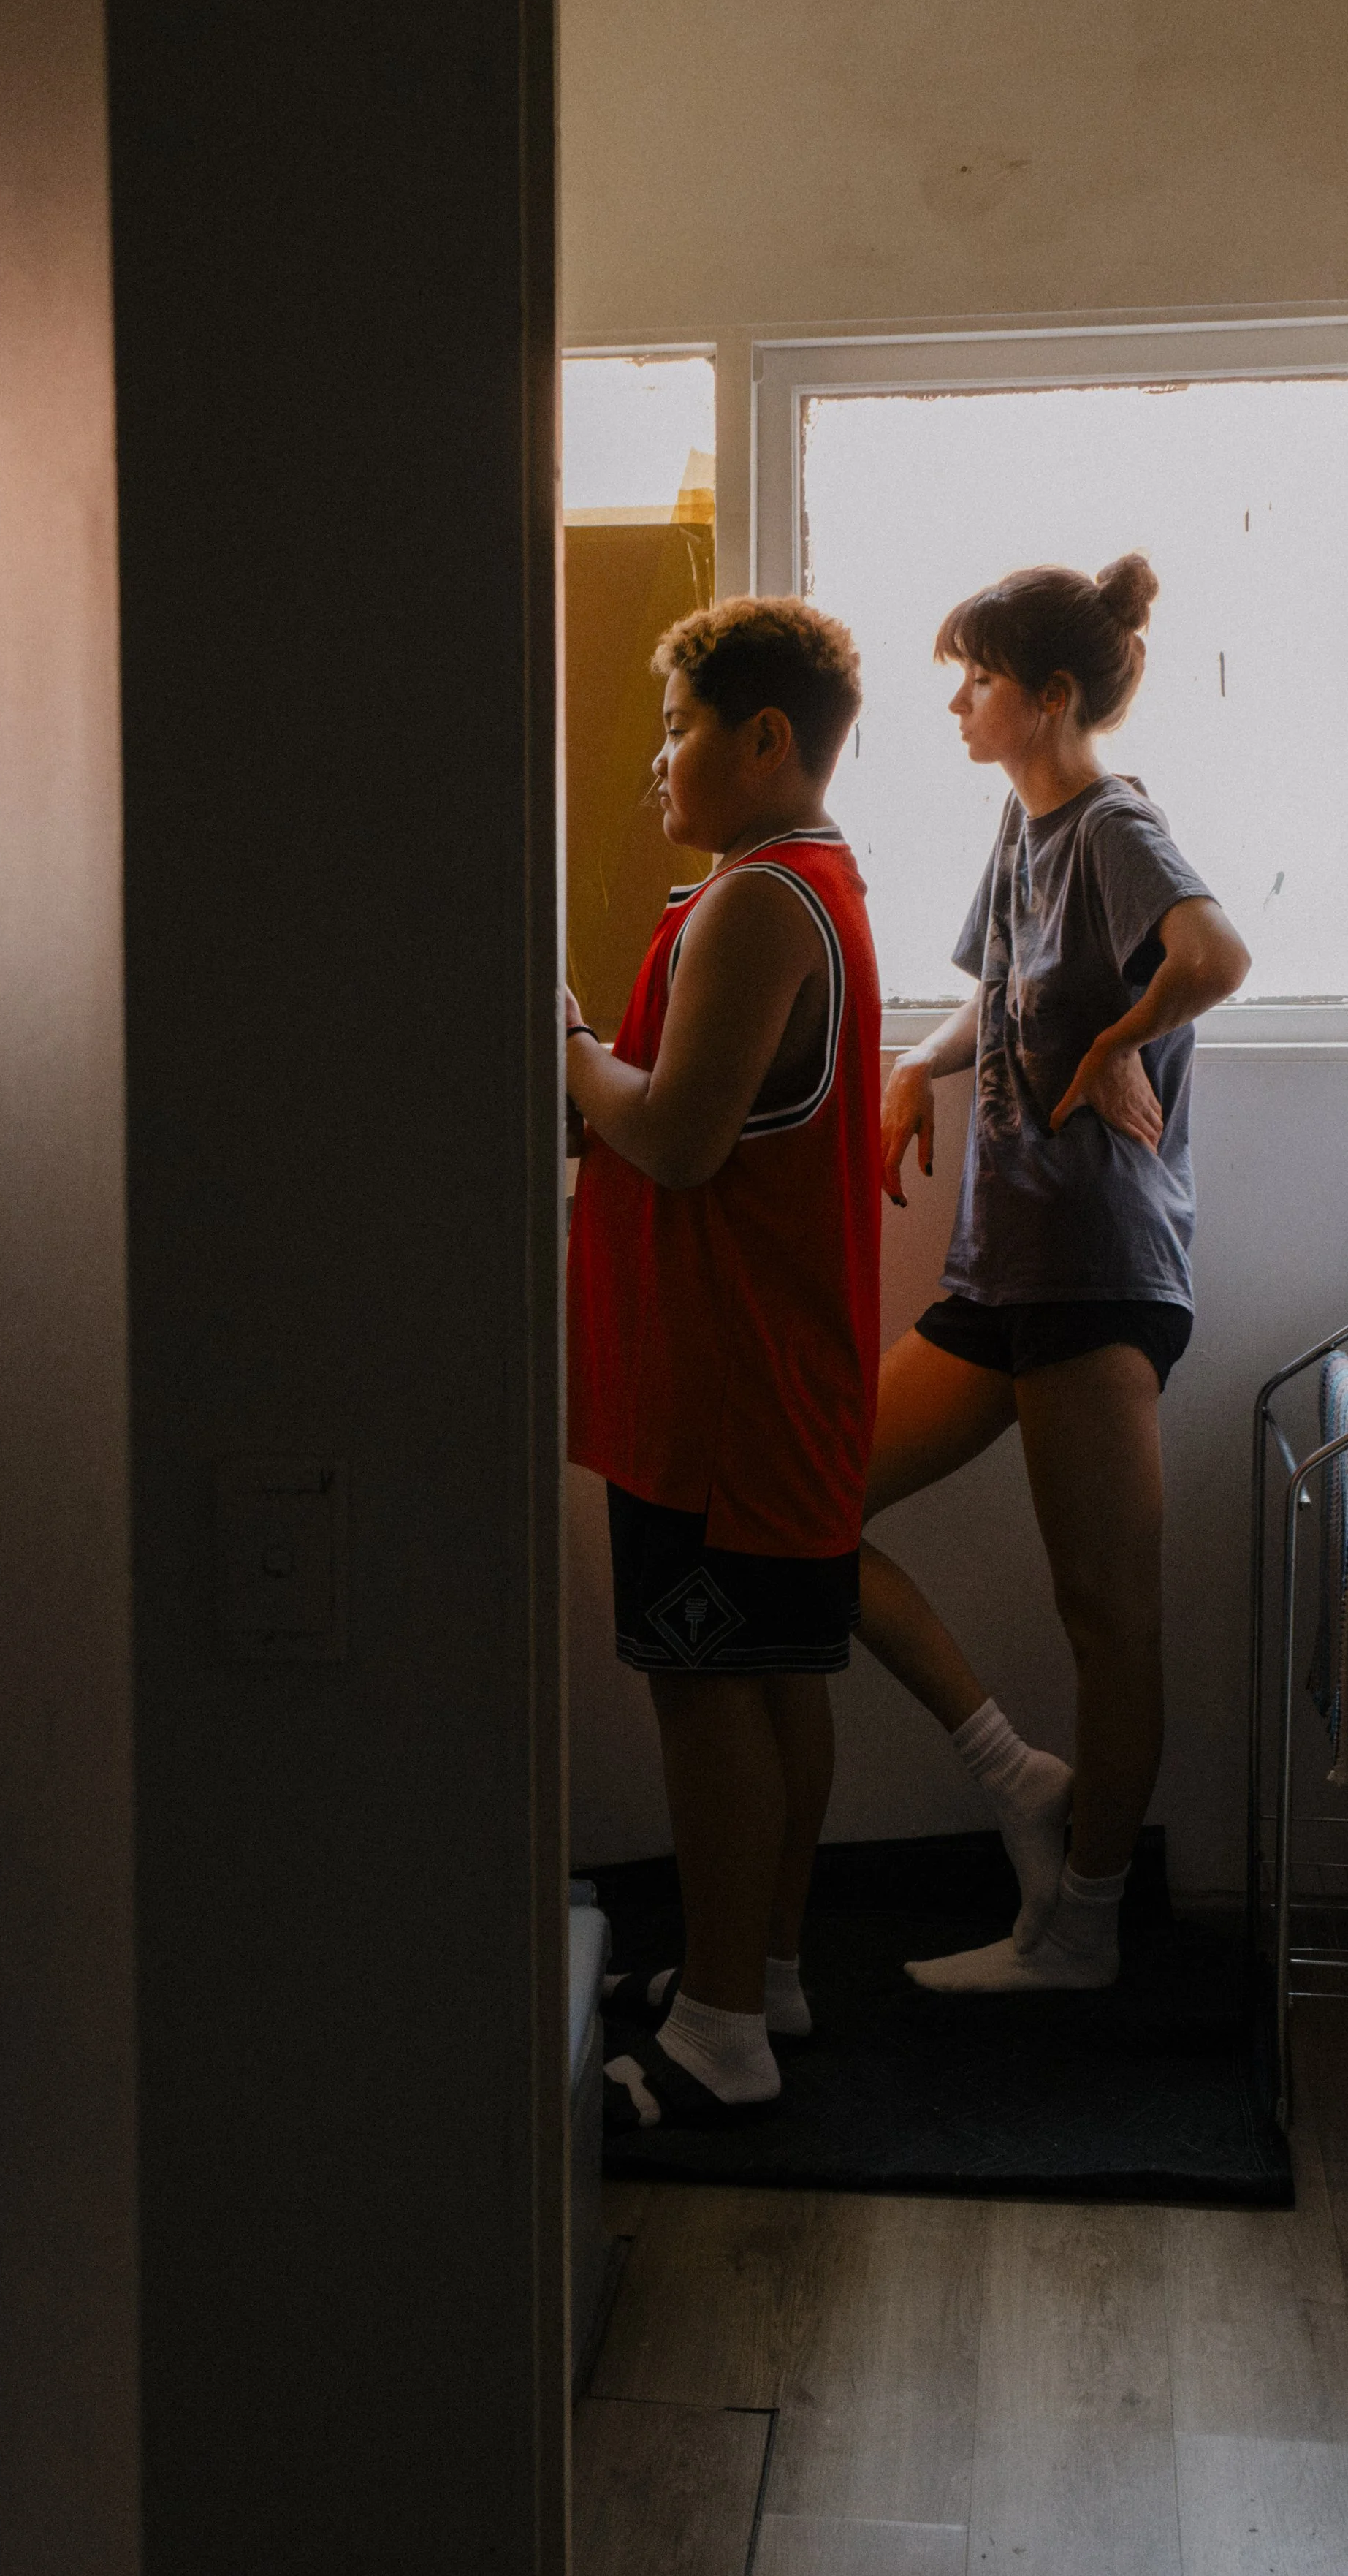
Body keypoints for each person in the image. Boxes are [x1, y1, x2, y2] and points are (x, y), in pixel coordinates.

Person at [861, 552, 1251, 1994]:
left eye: (975, 677)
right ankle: (1016, 1776)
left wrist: (1108, 1048)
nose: (956, 701)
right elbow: (990, 996)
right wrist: (914, 1064)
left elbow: (1213, 953)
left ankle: (1083, 1926)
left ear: (1051, 695)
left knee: (1106, 1614)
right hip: (1000, 1274)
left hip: (1094, 1275)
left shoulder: (1109, 823)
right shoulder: (1019, 835)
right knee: (801, 1511)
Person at [566, 596, 880, 2128]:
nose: (657, 765)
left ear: (764, 739)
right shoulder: (810, 885)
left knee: (705, 1696)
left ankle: (719, 2027)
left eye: (677, 730)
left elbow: (679, 1144)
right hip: (770, 1379)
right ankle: (758, 1967)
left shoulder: (757, 901)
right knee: (770, 1679)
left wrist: (560, 1050)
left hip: (722, 1391)